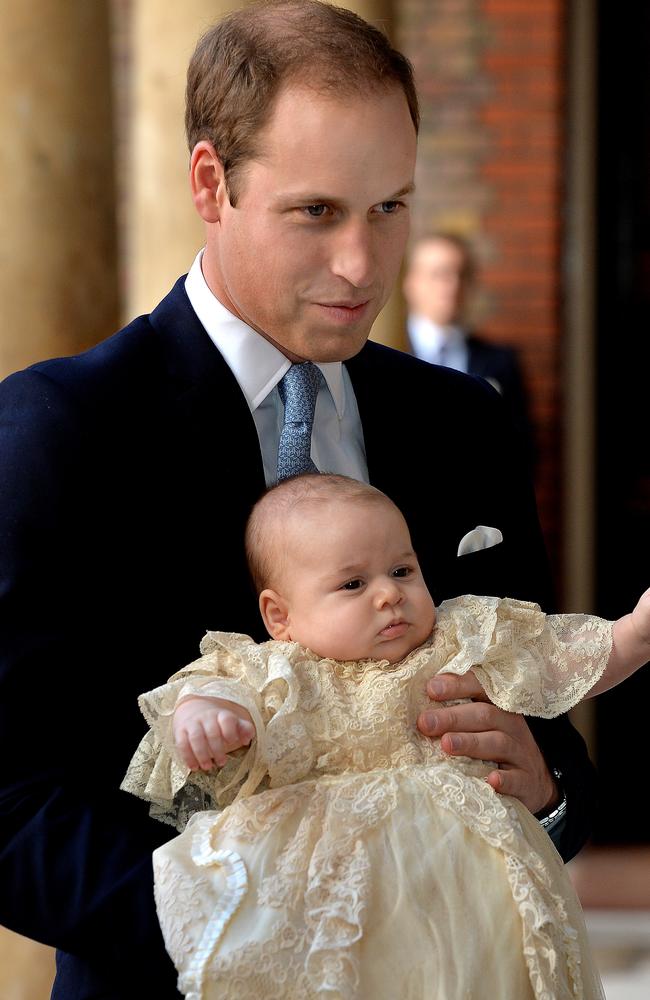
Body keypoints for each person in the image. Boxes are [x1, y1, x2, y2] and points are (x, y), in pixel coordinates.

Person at [0, 2, 596, 997]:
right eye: (316, 211)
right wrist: (252, 933)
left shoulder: (463, 423)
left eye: (389, 208)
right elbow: (13, 800)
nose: (362, 267)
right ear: (210, 183)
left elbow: (551, 733)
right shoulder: (60, 429)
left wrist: (543, 790)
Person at [122, 473, 650, 1000]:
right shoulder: (282, 672)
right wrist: (206, 713)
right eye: (353, 584)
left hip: (473, 897)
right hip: (337, 904)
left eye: (402, 570)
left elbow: (560, 659)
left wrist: (634, 633)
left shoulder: (458, 638)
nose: (389, 595)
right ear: (279, 616)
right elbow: (208, 687)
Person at [403, 231, 536, 466]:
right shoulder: (377, 354)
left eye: (461, 275)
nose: (452, 286)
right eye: (439, 274)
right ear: (411, 283)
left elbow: (523, 449)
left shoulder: (500, 361)